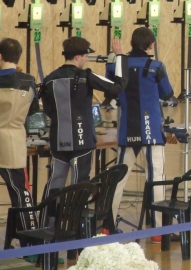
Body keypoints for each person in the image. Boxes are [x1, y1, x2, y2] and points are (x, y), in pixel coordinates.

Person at [109, 27, 175, 241]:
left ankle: (107, 227)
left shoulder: (117, 65)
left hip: (127, 129)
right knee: (156, 178)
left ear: (131, 43)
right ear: (151, 45)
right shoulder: (157, 66)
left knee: (118, 179)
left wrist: (116, 59)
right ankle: (157, 232)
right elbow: (168, 94)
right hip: (152, 129)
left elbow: (109, 89)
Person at [41, 36, 128, 200]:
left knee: (55, 183)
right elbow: (118, 87)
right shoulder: (86, 76)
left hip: (57, 141)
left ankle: (48, 216)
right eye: (86, 56)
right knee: (80, 185)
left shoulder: (49, 79)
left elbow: (48, 110)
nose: (87, 59)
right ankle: (75, 216)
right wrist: (121, 57)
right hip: (82, 141)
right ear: (77, 57)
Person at [0, 38, 40, 244]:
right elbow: (34, 110)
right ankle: (30, 239)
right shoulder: (29, 81)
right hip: (14, 141)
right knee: (21, 193)